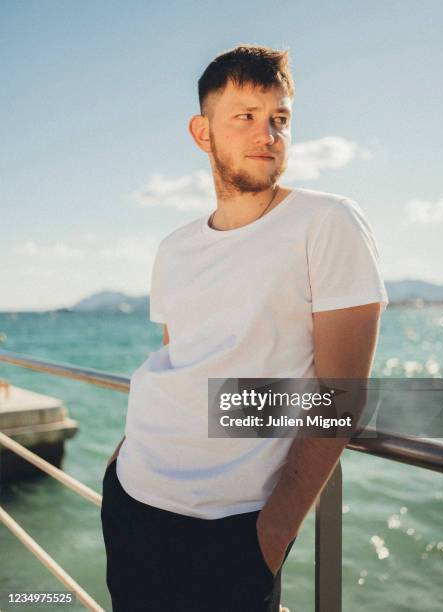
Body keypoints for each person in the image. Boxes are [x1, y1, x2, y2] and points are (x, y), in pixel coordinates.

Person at [100, 44, 389, 612]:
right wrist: (119, 459)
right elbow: (180, 363)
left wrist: (271, 536)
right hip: (132, 497)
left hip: (232, 531)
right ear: (202, 132)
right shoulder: (175, 247)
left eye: (279, 119)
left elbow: (342, 399)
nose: (268, 134)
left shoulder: (327, 222)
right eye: (246, 117)